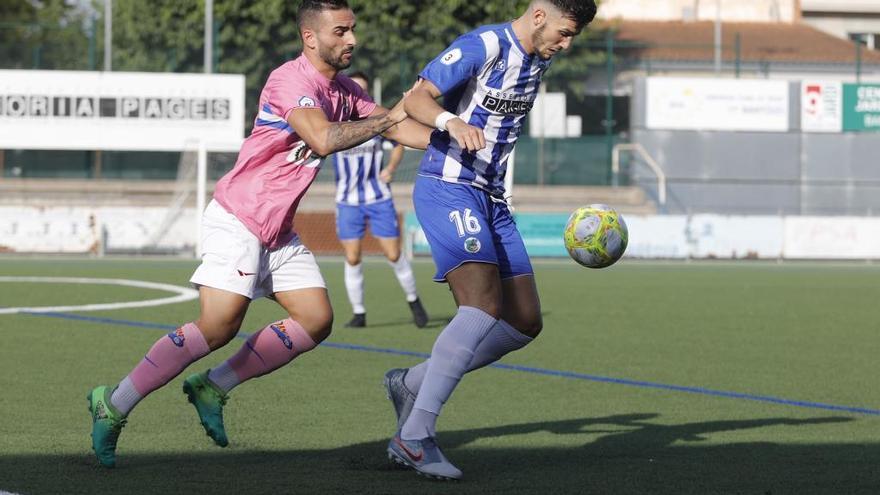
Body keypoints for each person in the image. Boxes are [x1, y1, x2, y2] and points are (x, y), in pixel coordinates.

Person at [86, 0, 431, 468]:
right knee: (219, 325)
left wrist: (455, 132)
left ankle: (213, 386)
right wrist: (392, 118)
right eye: (340, 31)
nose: (351, 40)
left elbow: (401, 126)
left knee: (315, 319)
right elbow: (325, 139)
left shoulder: (345, 90)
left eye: (353, 30)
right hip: (239, 216)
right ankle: (114, 402)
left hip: (277, 229)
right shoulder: (290, 79)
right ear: (311, 37)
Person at [382, 0, 597, 480]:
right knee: (480, 308)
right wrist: (450, 122)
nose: (565, 45)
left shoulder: (538, 59)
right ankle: (414, 437)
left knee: (523, 322)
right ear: (539, 14)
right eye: (564, 32)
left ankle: (411, 383)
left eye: (573, 38)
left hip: (492, 199)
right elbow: (416, 99)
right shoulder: (484, 45)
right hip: (448, 188)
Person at [331, 72, 429, 329]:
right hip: (347, 201)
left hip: (378, 199)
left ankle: (413, 299)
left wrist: (391, 168)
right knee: (352, 258)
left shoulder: (375, 122)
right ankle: (359, 313)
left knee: (394, 254)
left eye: (362, 89)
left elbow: (398, 141)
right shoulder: (335, 122)